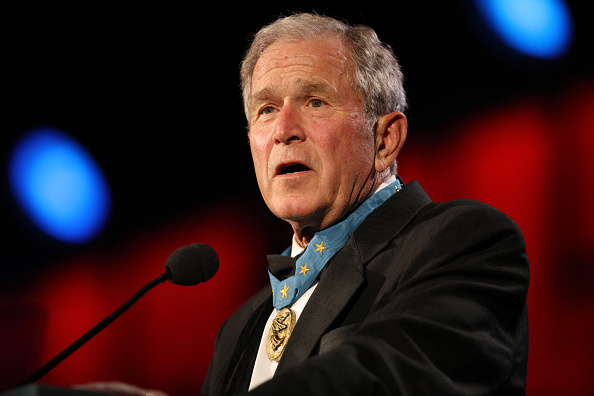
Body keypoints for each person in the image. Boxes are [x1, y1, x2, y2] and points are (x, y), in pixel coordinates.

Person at [82, 12, 529, 396]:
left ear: (385, 138)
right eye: (266, 109)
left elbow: (380, 377)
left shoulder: (465, 240)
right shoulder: (238, 328)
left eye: (315, 101)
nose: (284, 129)